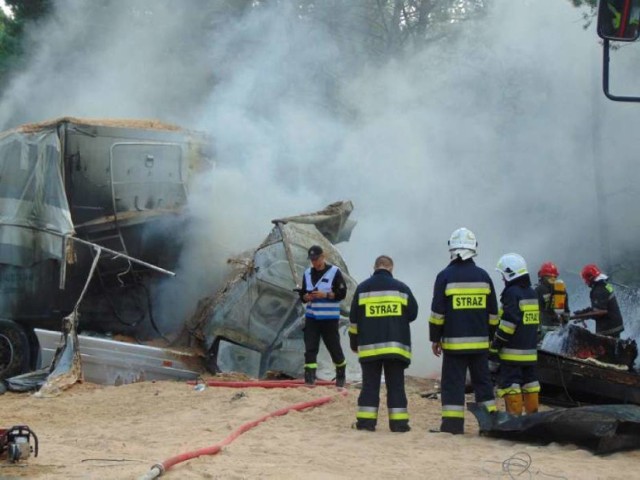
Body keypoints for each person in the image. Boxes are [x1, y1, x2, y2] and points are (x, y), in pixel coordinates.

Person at [429, 227, 498, 435]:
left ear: (451, 248)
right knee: (483, 384)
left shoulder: (444, 276)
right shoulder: (484, 276)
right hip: (480, 344)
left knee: (453, 384)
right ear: (474, 248)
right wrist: (490, 336)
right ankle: (489, 426)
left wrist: (435, 338)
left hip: (454, 343)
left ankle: (452, 427)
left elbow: (437, 313)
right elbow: (493, 314)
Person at [348, 255, 418, 432]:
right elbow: (413, 314)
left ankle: (365, 424)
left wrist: (354, 343)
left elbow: (353, 320)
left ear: (375, 267)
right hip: (396, 348)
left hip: (369, 349)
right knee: (396, 386)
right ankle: (399, 424)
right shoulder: (402, 288)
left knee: (370, 386)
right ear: (391, 268)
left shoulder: (363, 289)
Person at [491, 253, 541, 416]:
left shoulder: (511, 293)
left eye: (502, 275)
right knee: (530, 385)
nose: (502, 279)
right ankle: (532, 418)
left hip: (512, 353)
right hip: (530, 353)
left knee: (511, 386)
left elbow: (508, 324)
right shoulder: (532, 293)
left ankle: (514, 419)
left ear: (509, 273)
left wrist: (496, 344)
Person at [298, 245, 348, 386]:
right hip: (312, 317)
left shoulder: (334, 272)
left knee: (333, 347)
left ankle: (340, 375)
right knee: (310, 348)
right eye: (312, 260)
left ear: (323, 257)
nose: (314, 262)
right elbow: (302, 294)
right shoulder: (307, 273)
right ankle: (309, 379)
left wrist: (325, 295)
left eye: (316, 259)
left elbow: (342, 294)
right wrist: (306, 297)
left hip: (329, 318)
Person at [572, 264, 624, 338]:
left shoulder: (598, 290)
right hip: (615, 324)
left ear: (590, 278)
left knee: (607, 347)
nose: (586, 282)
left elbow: (600, 312)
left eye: (585, 280)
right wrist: (583, 312)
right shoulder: (604, 285)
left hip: (609, 328)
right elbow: (599, 307)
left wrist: (582, 316)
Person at [534, 261, 570, 340]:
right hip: (558, 328)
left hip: (543, 328)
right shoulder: (561, 289)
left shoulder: (538, 290)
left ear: (542, 275)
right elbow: (566, 312)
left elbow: (536, 311)